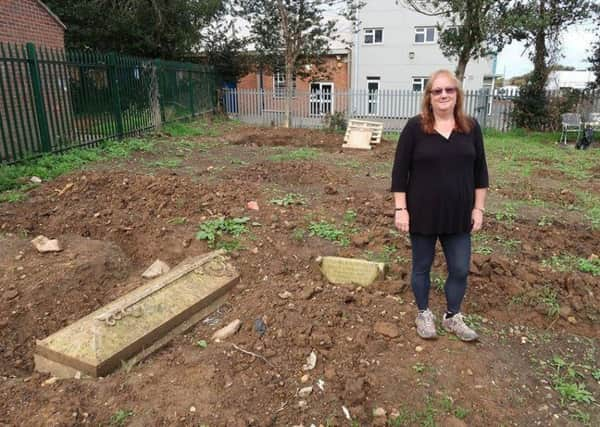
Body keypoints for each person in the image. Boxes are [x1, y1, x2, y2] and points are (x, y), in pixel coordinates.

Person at [391, 69, 489, 341]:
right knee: (421, 266)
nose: (444, 95)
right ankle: (423, 313)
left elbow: (481, 172)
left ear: (457, 94)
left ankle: (452, 316)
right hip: (422, 213)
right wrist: (401, 209)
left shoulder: (470, 127)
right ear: (429, 97)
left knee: (459, 267)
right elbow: (400, 173)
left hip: (459, 215)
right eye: (437, 91)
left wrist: (478, 208)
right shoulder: (415, 128)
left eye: (449, 90)